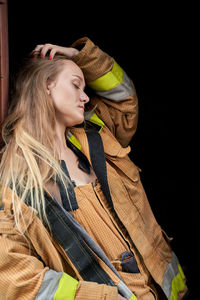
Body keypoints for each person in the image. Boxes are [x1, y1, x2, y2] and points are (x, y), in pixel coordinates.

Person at [0, 37, 188, 300]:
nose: (85, 97)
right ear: (46, 86)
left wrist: (80, 58)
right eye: (76, 85)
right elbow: (13, 276)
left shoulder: (97, 134)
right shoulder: (15, 177)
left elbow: (125, 101)